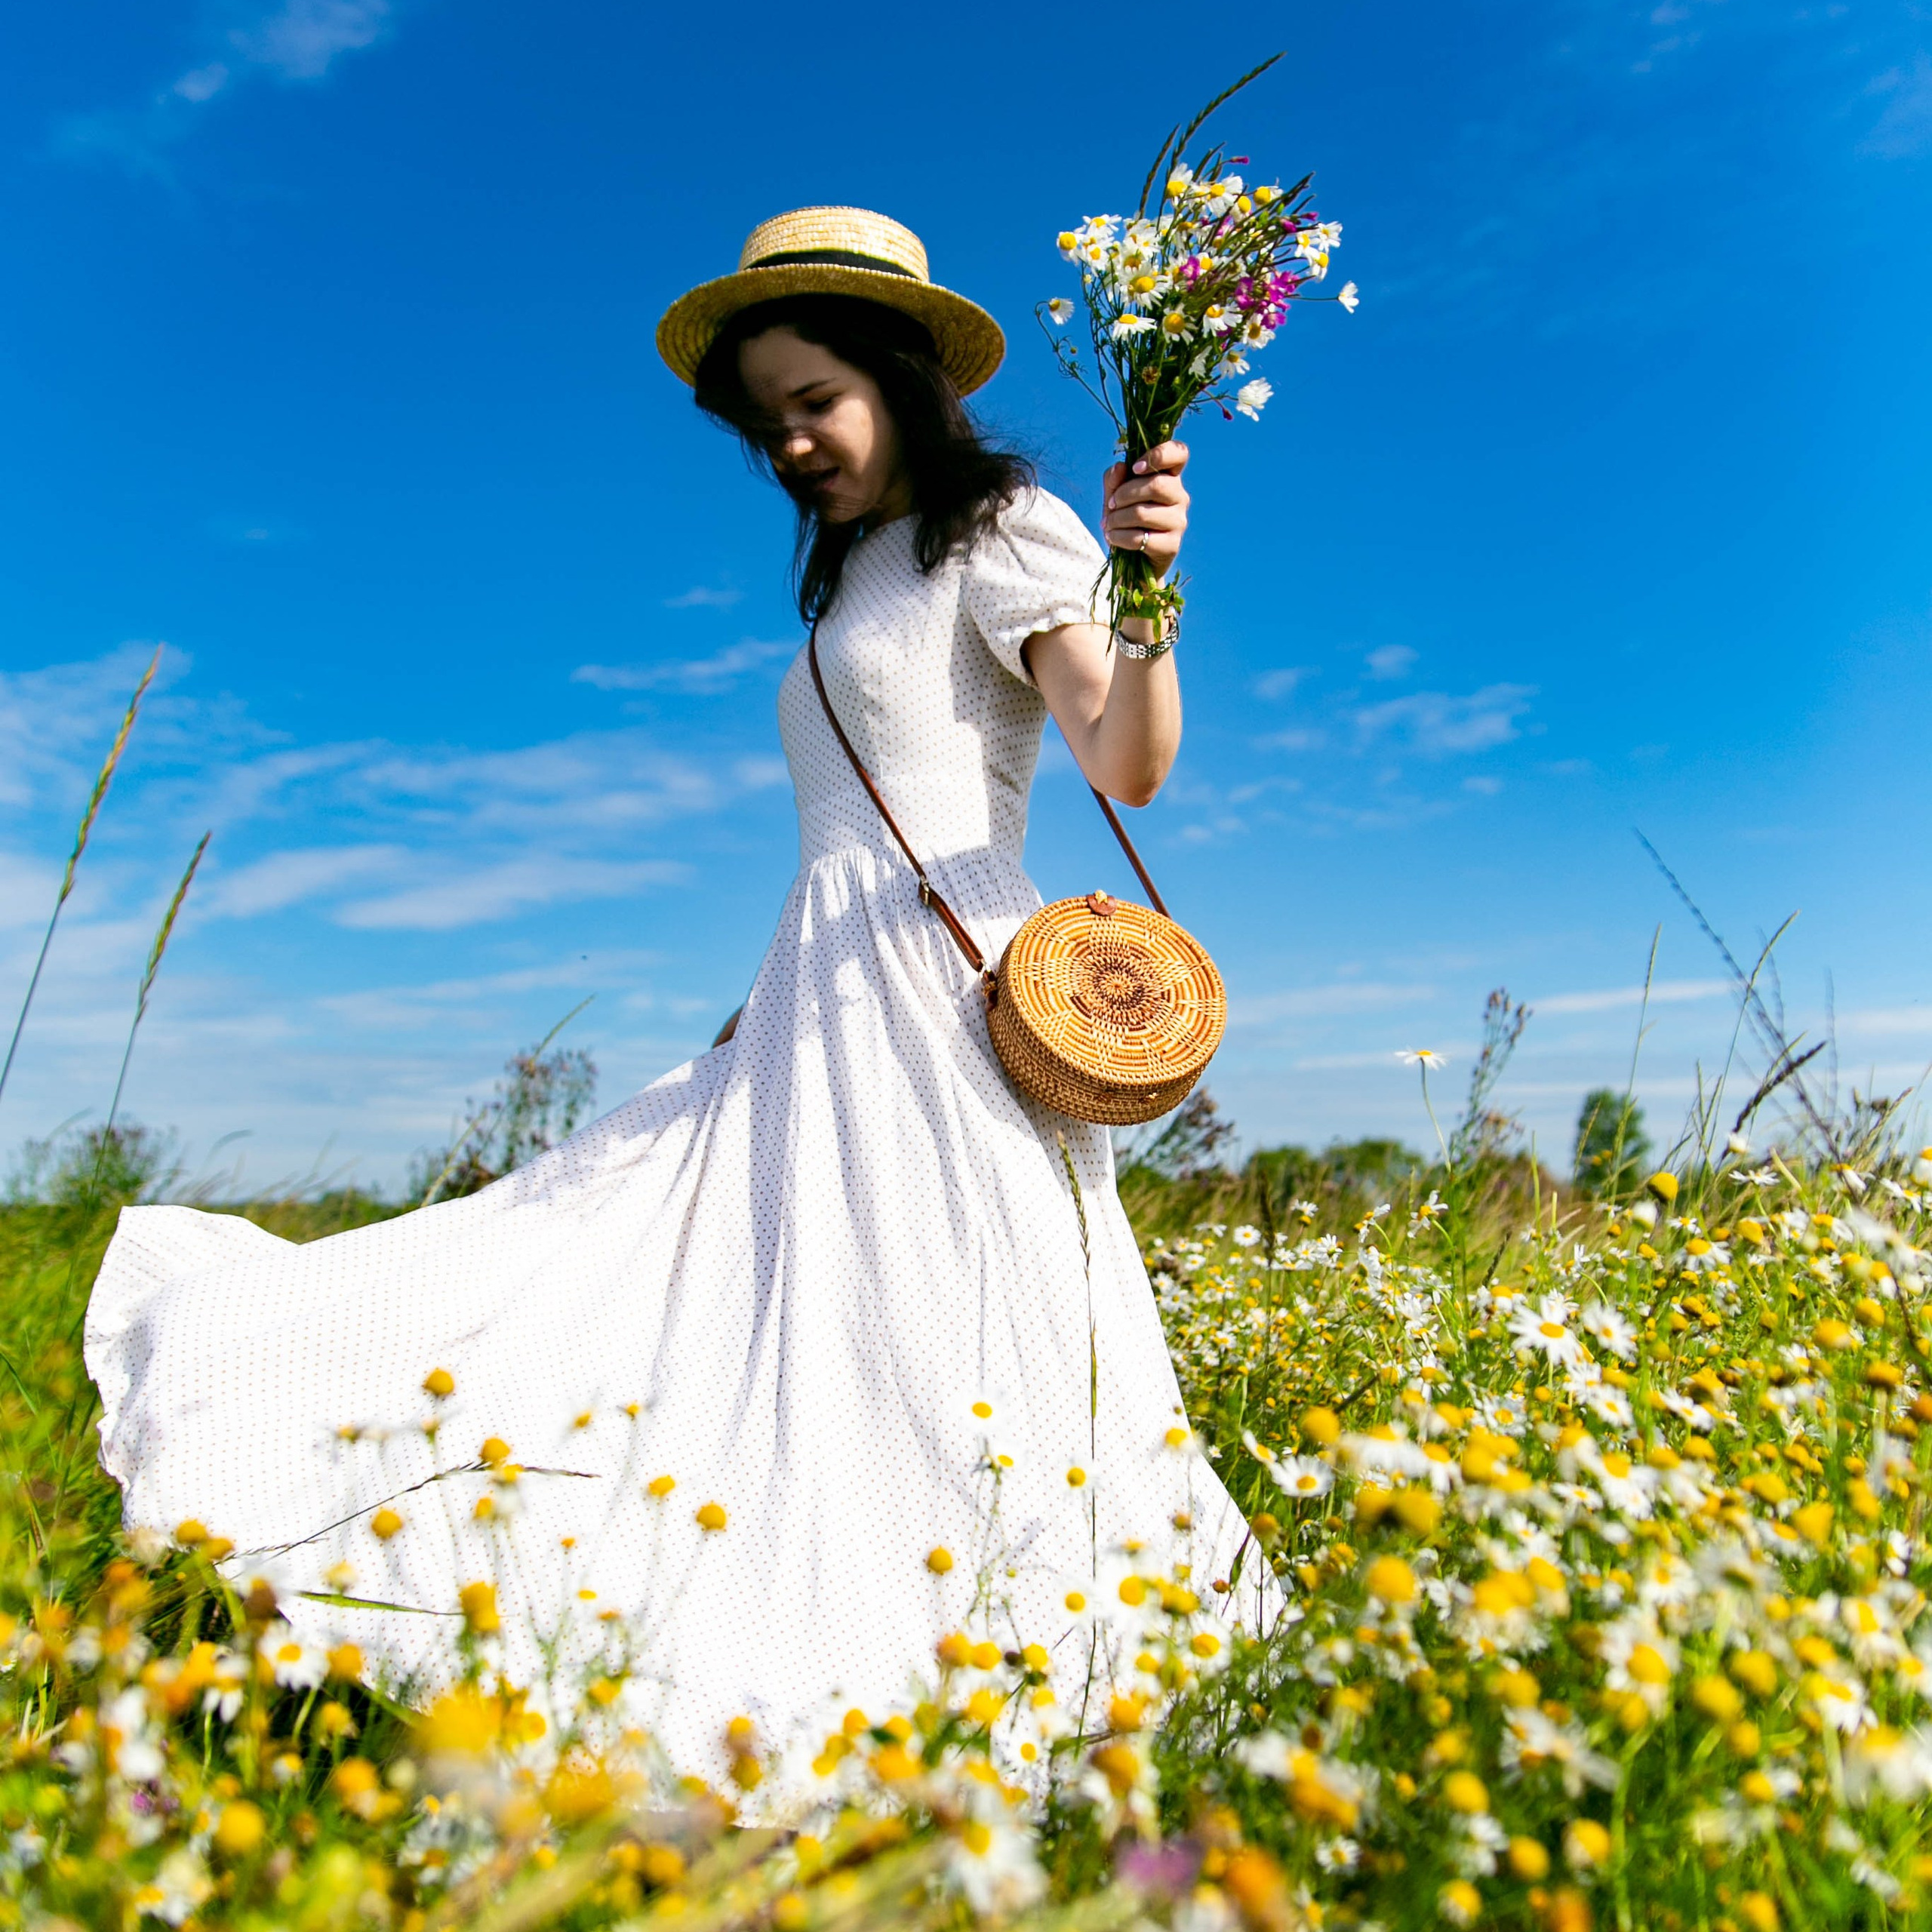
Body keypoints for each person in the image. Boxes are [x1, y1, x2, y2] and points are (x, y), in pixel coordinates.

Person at [85, 206, 1274, 1795]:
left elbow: (1126, 760)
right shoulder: (851, 572)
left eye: (816, 402)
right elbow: (849, 836)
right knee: (671, 1289)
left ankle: (980, 1674)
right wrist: (759, 1005)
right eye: (765, 417)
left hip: (940, 1007)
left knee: (935, 1345)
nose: (788, 441)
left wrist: (1142, 582)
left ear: (902, 377)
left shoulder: (1006, 531)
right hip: (816, 996)